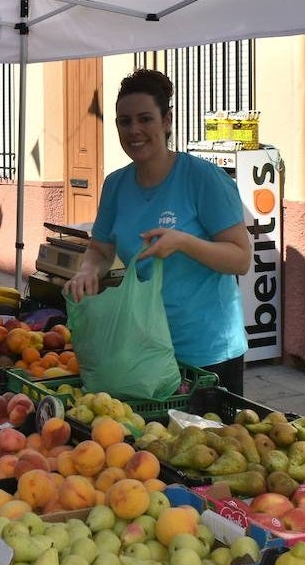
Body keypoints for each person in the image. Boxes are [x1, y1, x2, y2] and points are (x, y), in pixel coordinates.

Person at [63, 69, 253, 394]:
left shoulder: (203, 179)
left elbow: (240, 259)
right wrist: (87, 271)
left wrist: (183, 242)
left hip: (205, 350)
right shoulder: (116, 185)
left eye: (145, 119)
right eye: (124, 122)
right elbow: (100, 249)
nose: (134, 130)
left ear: (167, 120)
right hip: (143, 347)